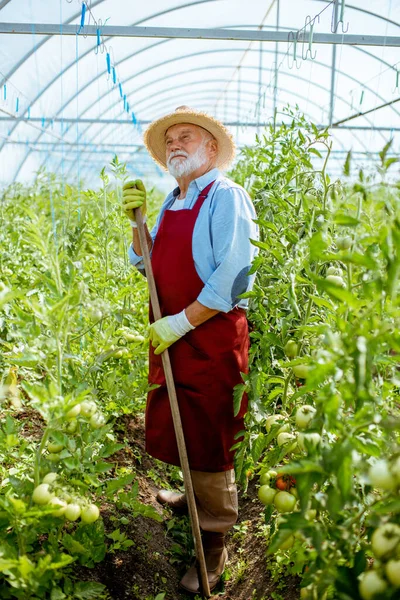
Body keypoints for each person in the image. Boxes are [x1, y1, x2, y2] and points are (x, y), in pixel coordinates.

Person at [123, 106, 258, 594]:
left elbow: (235, 273)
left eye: (186, 137)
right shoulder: (171, 202)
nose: (175, 144)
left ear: (212, 150)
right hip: (175, 331)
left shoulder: (227, 198)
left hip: (209, 333)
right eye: (170, 140)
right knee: (178, 411)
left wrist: (181, 322)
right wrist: (138, 229)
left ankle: (215, 540)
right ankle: (192, 495)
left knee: (211, 429)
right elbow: (151, 265)